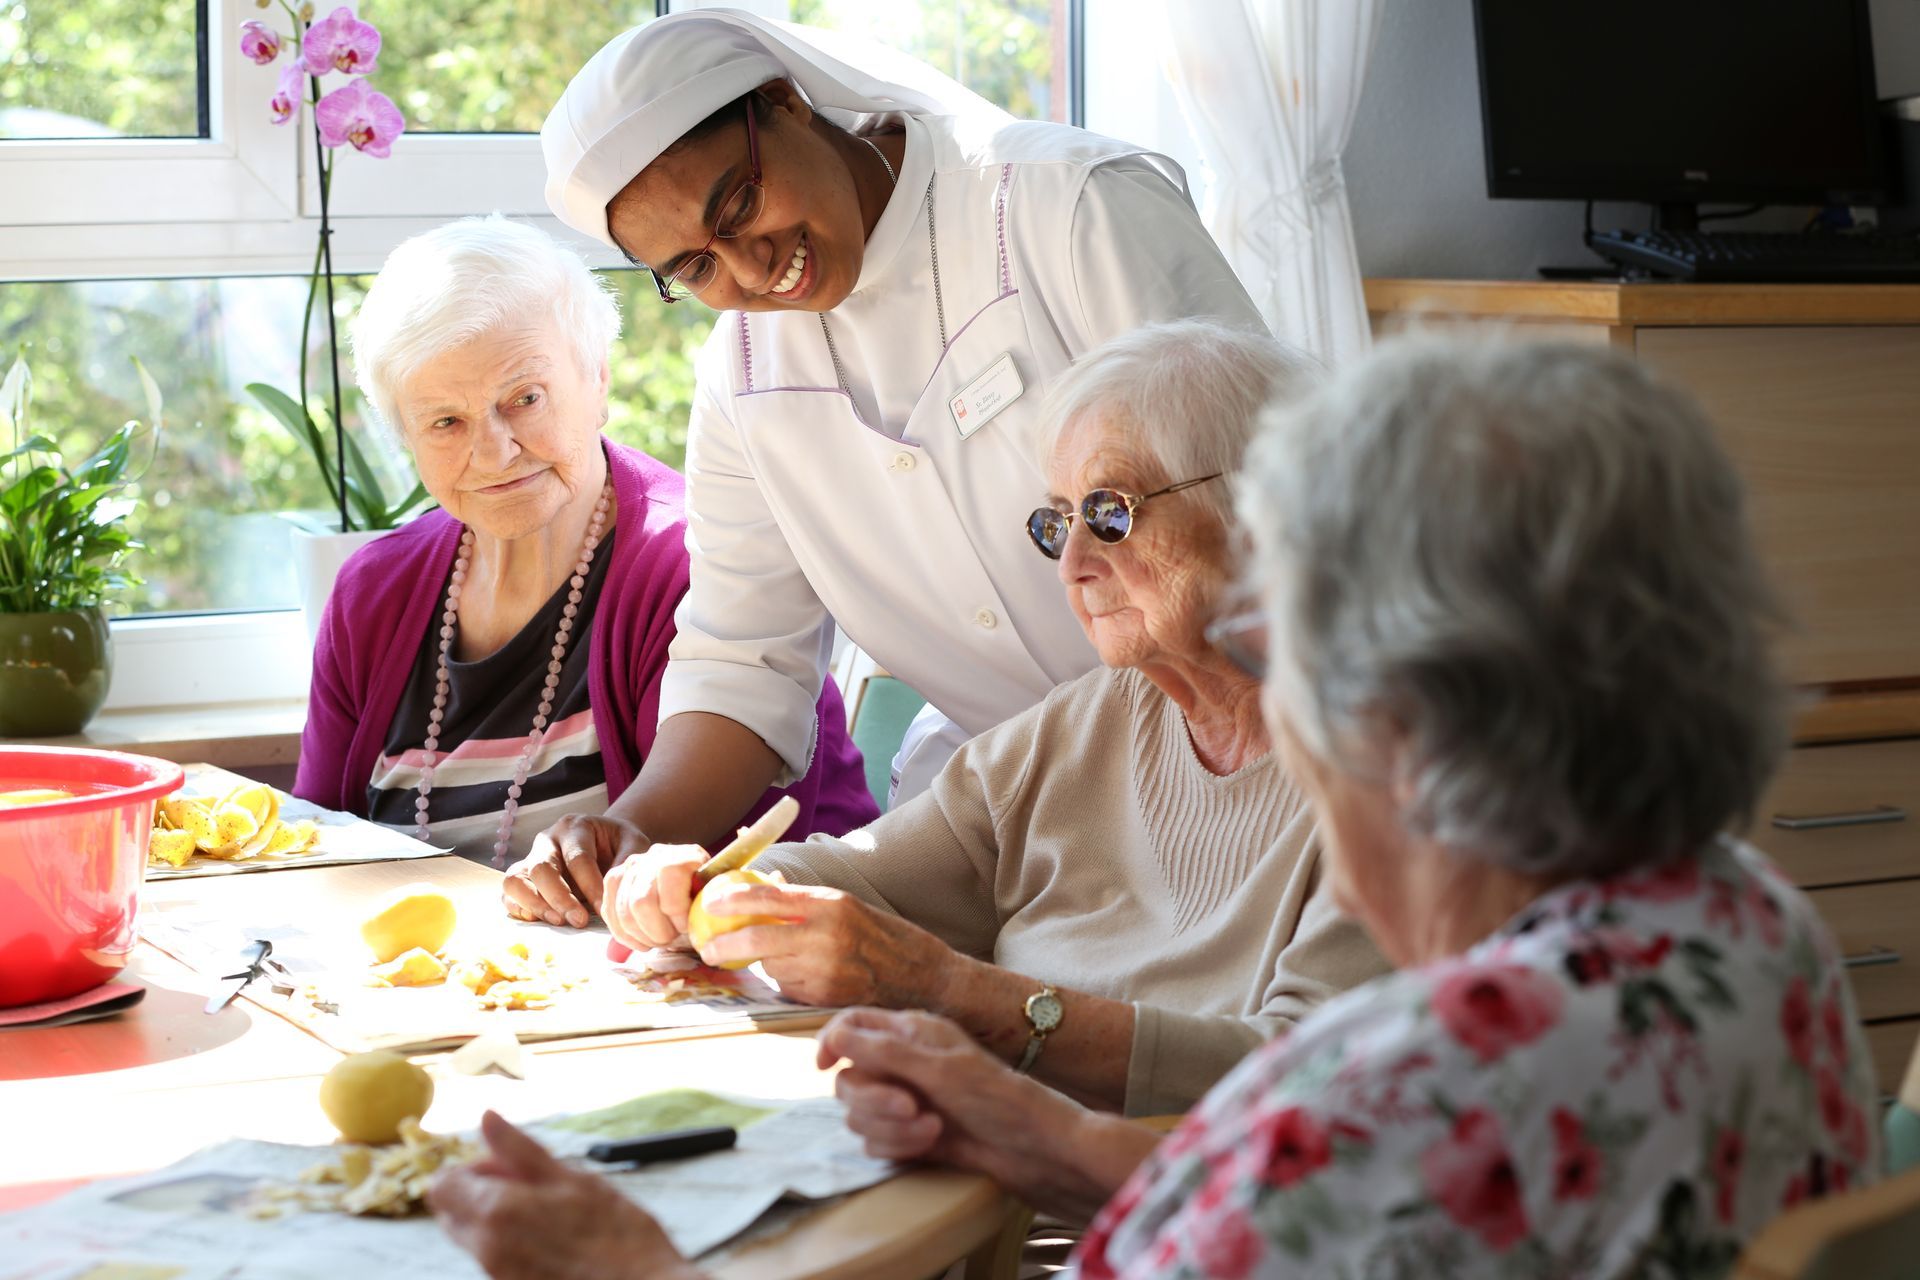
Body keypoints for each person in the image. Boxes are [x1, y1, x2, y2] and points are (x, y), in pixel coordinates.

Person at [431, 337, 1882, 1278]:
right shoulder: (1754, 931)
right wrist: (1044, 1135)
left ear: (1380, 700)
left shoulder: (1379, 1101)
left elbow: (1326, 1160)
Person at [507, 9, 1266, 926]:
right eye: (695, 266)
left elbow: (1270, 511)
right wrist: (628, 831)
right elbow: (745, 660)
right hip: (1019, 826)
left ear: (787, 103)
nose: (750, 270)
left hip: (1253, 775)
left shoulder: (1064, 207)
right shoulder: (743, 377)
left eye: (739, 206)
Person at [599, 322, 1388, 1118]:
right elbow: (863, 880)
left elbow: (1308, 1081)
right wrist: (710, 886)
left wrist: (955, 991)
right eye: (1057, 523)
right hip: (987, 1185)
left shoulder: (1400, 774)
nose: (1074, 563)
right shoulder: (1085, 726)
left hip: (1175, 1219)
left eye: (1111, 513)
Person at [294, 216, 875, 876]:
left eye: (525, 398)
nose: (494, 451)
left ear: (598, 378)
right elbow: (315, 854)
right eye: (446, 422)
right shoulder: (373, 593)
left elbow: (715, 869)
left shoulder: (704, 561)